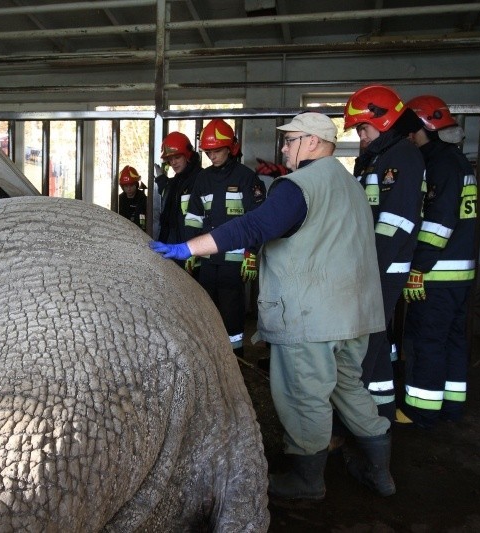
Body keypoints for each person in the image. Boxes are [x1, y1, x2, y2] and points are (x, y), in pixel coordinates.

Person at [151, 112, 395, 500]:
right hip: (356, 313)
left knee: (305, 395)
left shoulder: (298, 186)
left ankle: (307, 480)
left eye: (290, 139)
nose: (283, 147)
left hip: (311, 316)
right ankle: (379, 471)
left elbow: (253, 226)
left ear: (312, 142)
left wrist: (188, 247)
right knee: (349, 387)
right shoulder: (349, 184)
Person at [344, 85, 427, 421]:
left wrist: (367, 268)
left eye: (362, 128)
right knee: (376, 346)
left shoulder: (403, 158)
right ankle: (381, 416)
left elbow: (395, 223)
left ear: (384, 119)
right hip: (372, 265)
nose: (361, 137)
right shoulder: (376, 158)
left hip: (383, 267)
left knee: (363, 348)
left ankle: (353, 425)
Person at [399, 95, 477, 428]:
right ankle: (451, 407)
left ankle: (421, 411)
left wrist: (418, 267)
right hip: (459, 274)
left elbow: (437, 222)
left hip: (436, 274)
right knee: (453, 339)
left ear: (419, 130)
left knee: (426, 341)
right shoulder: (458, 162)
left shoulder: (438, 165)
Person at [183, 119, 265, 357]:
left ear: (231, 148)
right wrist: (190, 249)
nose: (212, 156)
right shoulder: (203, 179)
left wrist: (251, 253)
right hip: (207, 259)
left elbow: (257, 220)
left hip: (234, 260)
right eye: (208, 152)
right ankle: (212, 356)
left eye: (217, 151)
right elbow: (193, 218)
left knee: (232, 310)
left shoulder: (246, 178)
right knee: (207, 308)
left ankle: (236, 358)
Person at [155, 131, 203, 269]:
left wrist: (195, 251)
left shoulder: (201, 179)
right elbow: (170, 195)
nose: (173, 163)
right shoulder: (177, 181)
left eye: (177, 157)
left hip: (192, 253)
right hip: (175, 249)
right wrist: (161, 179)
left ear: (187, 156)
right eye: (170, 160)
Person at [117, 165, 147, 231]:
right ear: (122, 187)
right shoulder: (119, 200)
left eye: (131, 185)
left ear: (136, 185)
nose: (129, 189)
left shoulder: (143, 199)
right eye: (126, 186)